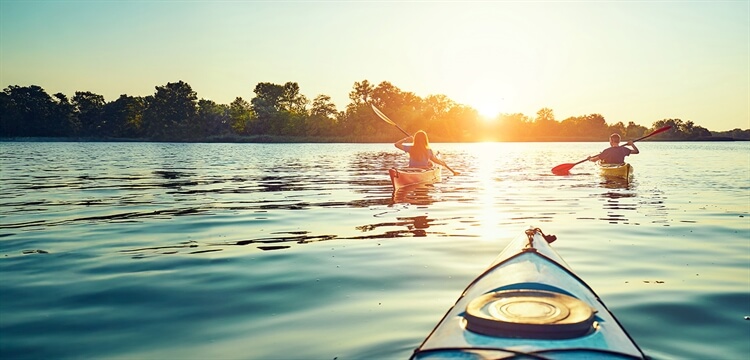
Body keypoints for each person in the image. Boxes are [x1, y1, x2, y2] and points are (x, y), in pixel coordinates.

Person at [394, 130, 459, 175]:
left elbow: (396, 144)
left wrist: (406, 139)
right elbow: (435, 160)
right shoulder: (428, 151)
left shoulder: (411, 148)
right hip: (422, 170)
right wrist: (442, 163)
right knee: (430, 164)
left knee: (429, 163)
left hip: (412, 170)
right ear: (425, 140)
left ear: (415, 139)